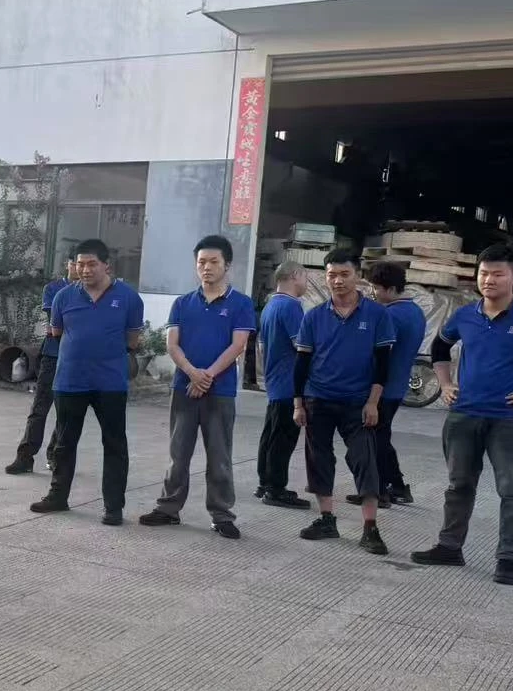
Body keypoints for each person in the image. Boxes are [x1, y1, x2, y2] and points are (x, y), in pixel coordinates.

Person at [412, 244, 513, 585]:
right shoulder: (465, 315)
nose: (488, 280)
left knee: (512, 491)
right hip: (464, 415)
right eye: (484, 273)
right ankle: (450, 547)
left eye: (497, 274)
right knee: (458, 485)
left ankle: (507, 559)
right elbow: (440, 346)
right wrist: (445, 384)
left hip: (509, 420)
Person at [139, 236, 257, 538]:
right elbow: (172, 345)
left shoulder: (241, 304)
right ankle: (168, 508)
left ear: (227, 265)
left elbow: (237, 346)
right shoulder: (182, 303)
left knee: (219, 456)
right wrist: (193, 374)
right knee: (178, 454)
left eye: (214, 261)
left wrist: (207, 377)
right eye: (201, 262)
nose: (207, 267)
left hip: (221, 391)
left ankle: (222, 515)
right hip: (184, 389)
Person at [31, 239, 144, 525]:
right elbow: (57, 333)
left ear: (107, 265)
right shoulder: (64, 297)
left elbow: (132, 339)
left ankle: (113, 507)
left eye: (92, 264)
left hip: (111, 382)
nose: (85, 269)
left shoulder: (129, 298)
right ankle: (58, 496)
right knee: (64, 442)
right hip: (70, 381)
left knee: (115, 444)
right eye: (80, 264)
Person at [293, 249, 394, 555]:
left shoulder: (377, 315)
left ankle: (370, 527)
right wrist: (298, 404)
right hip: (318, 400)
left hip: (358, 403)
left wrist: (373, 402)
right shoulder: (313, 316)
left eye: (344, 274)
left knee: (365, 460)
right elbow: (301, 364)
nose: (337, 281)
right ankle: (326, 519)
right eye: (331, 275)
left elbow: (383, 364)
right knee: (319, 459)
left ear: (358, 276)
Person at [5, 254, 79, 475]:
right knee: (39, 408)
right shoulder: (54, 289)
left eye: (83, 264)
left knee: (66, 411)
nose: (79, 268)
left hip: (76, 358)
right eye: (75, 263)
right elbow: (56, 319)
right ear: (67, 264)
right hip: (52, 355)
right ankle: (25, 456)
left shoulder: (91, 293)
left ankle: (55, 455)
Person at [357, 262, 424, 506]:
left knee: (373, 440)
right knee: (380, 436)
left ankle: (380, 491)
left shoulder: (391, 315)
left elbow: (378, 353)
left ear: (391, 289)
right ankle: (396, 486)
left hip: (382, 387)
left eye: (376, 288)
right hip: (397, 384)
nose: (373, 293)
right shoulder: (415, 311)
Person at [255, 260, 310, 509]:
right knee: (283, 439)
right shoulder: (291, 306)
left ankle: (265, 483)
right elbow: (303, 347)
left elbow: (262, 347)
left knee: (271, 435)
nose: (306, 283)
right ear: (295, 275)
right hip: (289, 384)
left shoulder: (271, 305)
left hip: (275, 381)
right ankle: (275, 489)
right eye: (305, 277)